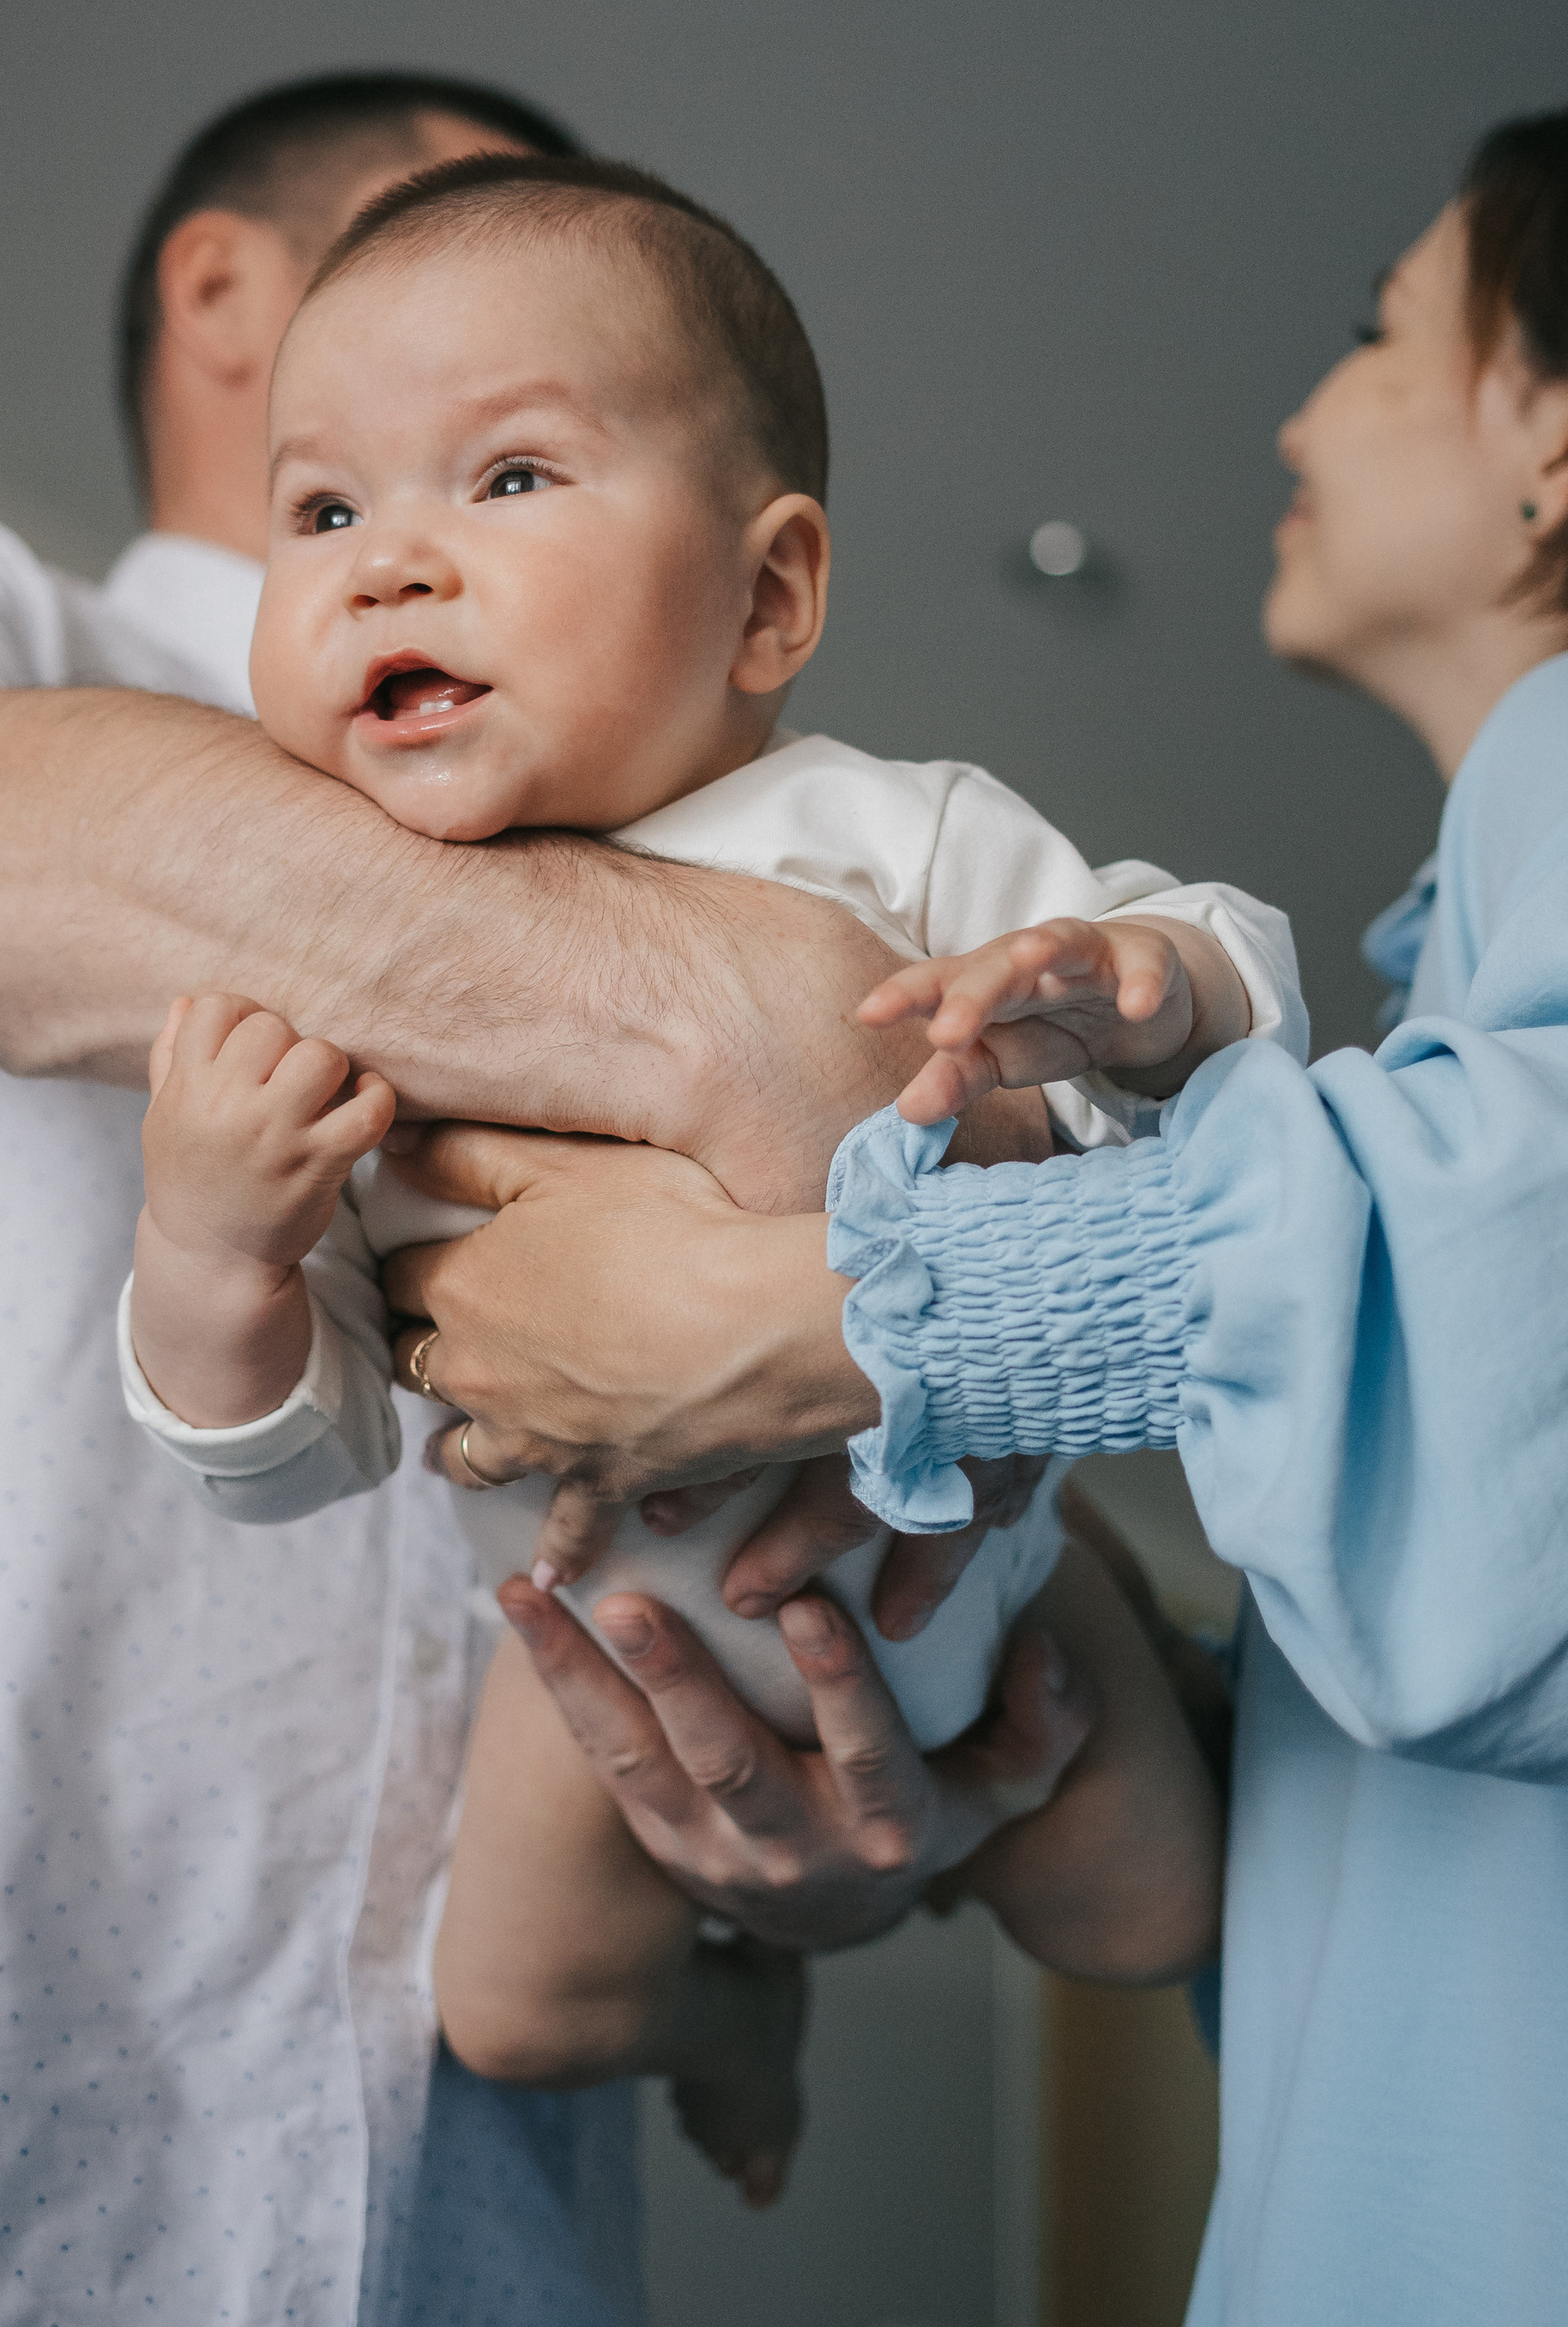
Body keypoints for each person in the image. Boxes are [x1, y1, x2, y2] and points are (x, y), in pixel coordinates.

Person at [0, 69, 1091, 2327]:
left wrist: (785, 1908)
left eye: (536, 436)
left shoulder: (766, 808)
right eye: (432, 271)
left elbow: (867, 1415)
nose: (434, 528)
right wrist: (766, 1022)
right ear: (231, 304)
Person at [389, 90, 1568, 2327]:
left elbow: (1539, 1404)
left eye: (1384, 328)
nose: (1300, 411)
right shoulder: (1491, 975)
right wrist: (998, 1704)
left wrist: (814, 1316)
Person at [118, 150, 1282, 2188]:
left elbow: (1239, 1047)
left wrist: (1144, 983)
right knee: (515, 2009)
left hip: (994, 1582)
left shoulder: (881, 835)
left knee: (1154, 1920)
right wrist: (208, 1249)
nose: (387, 561)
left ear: (767, 595)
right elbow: (298, 1457)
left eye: (504, 480)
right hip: (608, 1646)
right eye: (321, 510)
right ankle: (734, 2018)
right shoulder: (338, 982)